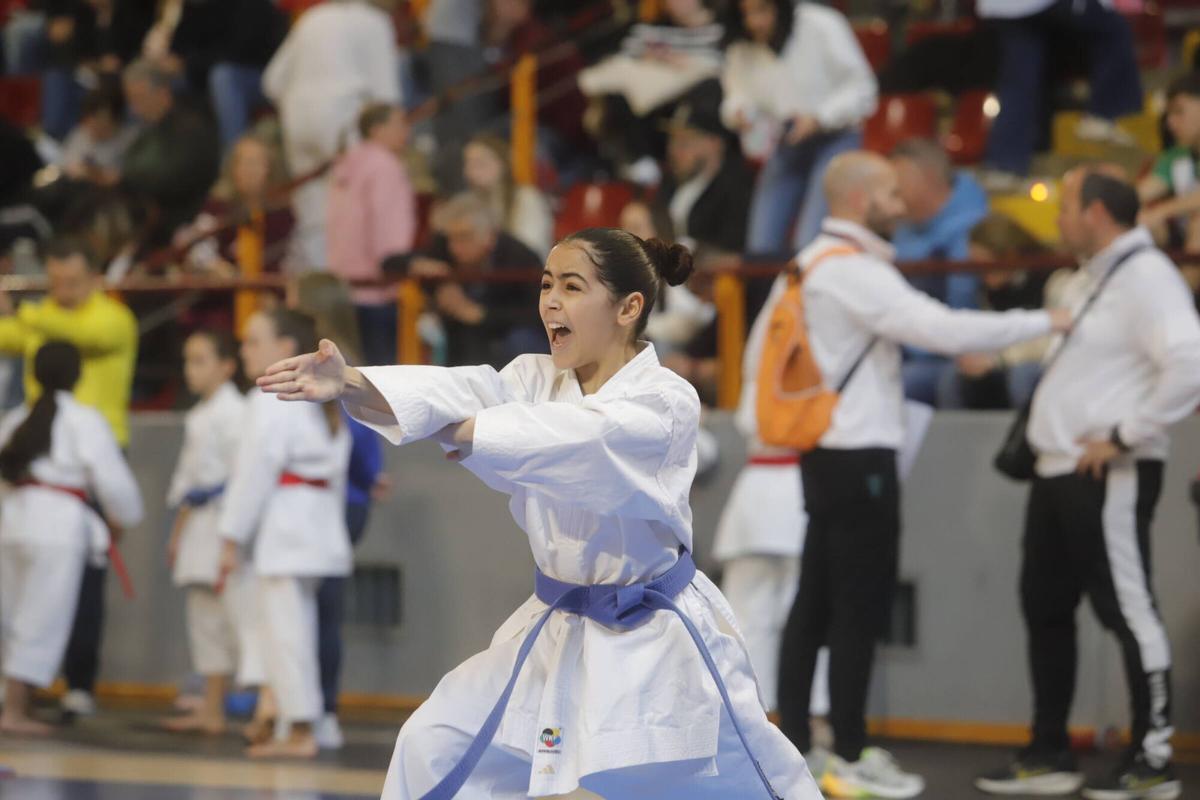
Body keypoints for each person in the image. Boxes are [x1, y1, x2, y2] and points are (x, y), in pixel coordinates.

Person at [258, 226, 825, 799]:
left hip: (651, 634)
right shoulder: (534, 378)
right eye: (547, 283)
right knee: (434, 742)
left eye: (573, 287)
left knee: (694, 781)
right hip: (557, 620)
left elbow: (581, 439)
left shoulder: (666, 398)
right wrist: (352, 380)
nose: (551, 300)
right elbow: (462, 389)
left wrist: (470, 431)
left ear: (628, 308)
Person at [775, 151, 1071, 799]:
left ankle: (795, 745)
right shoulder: (850, 270)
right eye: (886, 191)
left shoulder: (808, 263)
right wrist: (1045, 319)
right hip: (861, 455)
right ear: (856, 200)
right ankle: (846, 752)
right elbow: (940, 329)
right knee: (857, 604)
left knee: (815, 601)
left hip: (827, 451)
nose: (900, 201)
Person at [975, 166, 1200, 800]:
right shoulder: (1092, 280)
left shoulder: (1148, 277)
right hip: (1059, 472)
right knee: (1046, 610)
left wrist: (1125, 435)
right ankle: (1049, 752)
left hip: (1108, 472)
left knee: (1128, 609)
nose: (1060, 219)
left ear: (1098, 213)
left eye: (1068, 206)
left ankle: (1153, 758)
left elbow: (1190, 364)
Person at [0, 235, 138, 717]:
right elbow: (4, 335)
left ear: (94, 278)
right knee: (21, 593)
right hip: (38, 463)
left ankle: (78, 683)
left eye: (72, 281)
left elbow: (83, 338)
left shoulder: (112, 318)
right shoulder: (43, 324)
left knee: (83, 582)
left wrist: (27, 312)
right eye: (55, 280)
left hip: (92, 460)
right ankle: (22, 692)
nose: (62, 289)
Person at [217, 309, 352, 759]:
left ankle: (299, 729)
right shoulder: (321, 394)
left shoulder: (273, 395)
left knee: (286, 632)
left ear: (284, 346)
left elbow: (253, 474)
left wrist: (231, 538)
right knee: (286, 629)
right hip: (313, 526)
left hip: (289, 531)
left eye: (254, 340)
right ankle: (278, 716)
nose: (244, 349)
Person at [291, 272, 386, 750]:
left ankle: (317, 713)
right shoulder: (340, 355)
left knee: (316, 611)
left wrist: (367, 477)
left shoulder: (328, 358)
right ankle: (306, 710)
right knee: (312, 611)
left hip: (335, 502)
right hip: (342, 500)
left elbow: (361, 431)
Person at [722, 0, 876, 256]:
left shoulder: (821, 23)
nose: (753, 22)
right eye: (746, 13)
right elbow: (736, 95)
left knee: (809, 244)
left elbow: (862, 88)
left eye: (761, 10)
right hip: (784, 142)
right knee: (760, 246)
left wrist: (819, 117)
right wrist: (738, 112)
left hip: (835, 139)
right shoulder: (741, 42)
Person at [262, 0, 401, 271]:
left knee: (311, 210)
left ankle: (314, 288)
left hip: (297, 116)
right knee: (351, 204)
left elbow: (272, 81)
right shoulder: (375, 22)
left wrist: (301, 100)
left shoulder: (313, 16)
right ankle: (347, 284)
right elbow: (387, 95)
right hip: (344, 117)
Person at [160, 330, 251, 735]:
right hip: (198, 523)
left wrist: (234, 536)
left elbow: (244, 477)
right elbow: (184, 487)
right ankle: (211, 709)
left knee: (239, 619)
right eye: (187, 360)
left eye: (200, 360)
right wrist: (176, 535)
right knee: (205, 622)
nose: (189, 369)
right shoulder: (199, 414)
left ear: (226, 366)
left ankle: (265, 708)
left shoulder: (237, 411)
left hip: (225, 523)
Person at [979, 0, 1143, 178]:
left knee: (1021, 78)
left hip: (1006, 9)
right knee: (1114, 30)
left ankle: (1004, 166)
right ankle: (1103, 114)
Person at [889, 138, 989, 406]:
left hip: (954, 355)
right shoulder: (902, 225)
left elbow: (965, 311)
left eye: (898, 183)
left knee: (897, 384)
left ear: (927, 179)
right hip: (907, 347)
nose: (892, 193)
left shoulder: (975, 231)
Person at [326, 103, 416, 367]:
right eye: (399, 124)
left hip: (345, 284)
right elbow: (388, 226)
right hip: (379, 287)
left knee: (355, 372)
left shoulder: (346, 164)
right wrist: (396, 264)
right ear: (377, 130)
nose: (406, 131)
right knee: (382, 378)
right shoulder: (384, 166)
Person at [410, 192, 544, 368]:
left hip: (510, 336)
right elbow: (391, 262)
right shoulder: (444, 247)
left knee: (520, 341)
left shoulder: (521, 257)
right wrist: (422, 266)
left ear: (489, 236)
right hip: (460, 335)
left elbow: (538, 314)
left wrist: (482, 315)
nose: (454, 247)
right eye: (451, 238)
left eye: (465, 237)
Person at [120, 57, 220, 247]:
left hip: (183, 219)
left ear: (162, 92)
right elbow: (129, 163)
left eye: (139, 97)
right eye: (130, 99)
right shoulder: (148, 129)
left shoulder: (191, 126)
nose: (133, 108)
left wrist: (131, 177)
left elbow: (171, 176)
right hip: (154, 216)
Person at [165, 0, 288, 150]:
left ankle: (233, 158)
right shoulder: (195, 5)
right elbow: (178, 46)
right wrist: (172, 61)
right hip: (203, 71)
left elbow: (240, 51)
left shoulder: (250, 5)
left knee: (223, 78)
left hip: (261, 75)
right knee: (151, 78)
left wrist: (188, 63)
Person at [659, 102, 755, 255]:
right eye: (673, 140)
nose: (674, 149)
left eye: (685, 142)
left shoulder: (737, 188)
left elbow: (733, 252)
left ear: (714, 143)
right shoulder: (669, 183)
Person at [462, 133, 554, 259]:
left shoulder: (526, 198)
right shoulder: (468, 202)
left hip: (523, 269)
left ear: (503, 164)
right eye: (468, 163)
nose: (472, 170)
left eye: (480, 163)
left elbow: (531, 249)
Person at [1139, 72, 1200, 252]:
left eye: (1179, 111)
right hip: (1184, 241)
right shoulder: (1174, 157)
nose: (1170, 123)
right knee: (1143, 223)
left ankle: (1181, 281)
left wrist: (1162, 211)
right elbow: (1140, 193)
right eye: (1168, 115)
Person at [57, 86, 137, 185]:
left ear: (116, 120)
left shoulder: (131, 140)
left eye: (101, 122)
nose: (93, 127)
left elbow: (124, 179)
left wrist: (95, 175)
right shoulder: (80, 134)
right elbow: (64, 167)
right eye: (89, 121)